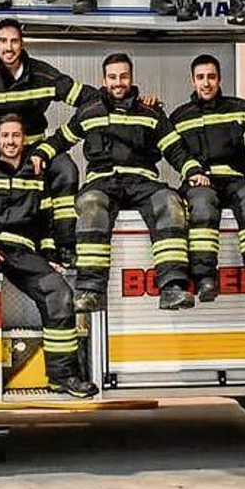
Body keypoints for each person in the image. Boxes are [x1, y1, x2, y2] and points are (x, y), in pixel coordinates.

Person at [0, 114, 98, 399]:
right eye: (6, 136)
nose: (11, 141)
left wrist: (50, 255)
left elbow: (47, 222)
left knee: (58, 291)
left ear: (24, 139)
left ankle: (63, 376)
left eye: (16, 135)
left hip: (22, 251)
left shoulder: (38, 174)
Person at [36, 52, 204, 312]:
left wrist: (192, 171)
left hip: (143, 180)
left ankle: (172, 287)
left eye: (123, 76)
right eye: (112, 77)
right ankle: (90, 291)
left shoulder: (151, 112)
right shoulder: (88, 111)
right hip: (102, 182)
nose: (118, 82)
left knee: (170, 202)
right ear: (103, 80)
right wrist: (38, 154)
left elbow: (175, 149)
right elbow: (61, 139)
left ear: (132, 77)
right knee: (90, 203)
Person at [0, 19, 89, 264]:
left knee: (66, 170)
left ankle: (65, 245)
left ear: (22, 44)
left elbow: (88, 99)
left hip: (36, 149)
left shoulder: (43, 75)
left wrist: (52, 147)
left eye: (14, 41)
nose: (9, 47)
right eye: (3, 41)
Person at [169, 54, 245, 309]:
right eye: (201, 78)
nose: (206, 83)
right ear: (193, 80)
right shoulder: (179, 116)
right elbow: (172, 151)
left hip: (234, 179)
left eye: (211, 77)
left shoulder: (239, 109)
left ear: (220, 79)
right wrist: (192, 172)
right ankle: (205, 279)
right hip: (199, 181)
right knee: (202, 202)